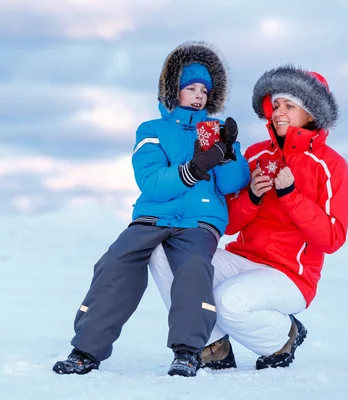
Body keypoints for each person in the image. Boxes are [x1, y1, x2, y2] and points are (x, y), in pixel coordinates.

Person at [52, 41, 250, 377]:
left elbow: (233, 183)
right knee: (115, 263)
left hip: (199, 221)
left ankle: (189, 352)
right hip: (152, 216)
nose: (199, 95)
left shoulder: (215, 134)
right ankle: (85, 350)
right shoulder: (151, 131)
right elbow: (151, 181)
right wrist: (195, 167)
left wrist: (228, 152)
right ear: (174, 90)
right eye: (191, 88)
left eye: (205, 89)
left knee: (192, 267)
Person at [149, 64, 348, 371]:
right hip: (242, 260)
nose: (278, 112)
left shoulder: (330, 166)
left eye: (289, 105)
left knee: (226, 301)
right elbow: (228, 224)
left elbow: (332, 239)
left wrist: (291, 197)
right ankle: (212, 346)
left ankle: (285, 335)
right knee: (167, 252)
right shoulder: (257, 155)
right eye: (275, 105)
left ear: (311, 113)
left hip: (289, 276)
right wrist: (253, 198)